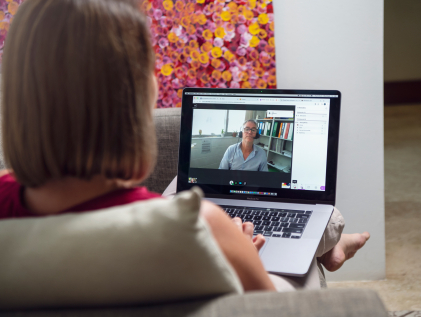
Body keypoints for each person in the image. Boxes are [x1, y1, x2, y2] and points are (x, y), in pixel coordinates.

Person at [0, 0, 369, 293]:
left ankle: (332, 248)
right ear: (135, 102)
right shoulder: (197, 224)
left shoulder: (5, 205)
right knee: (304, 245)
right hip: (247, 268)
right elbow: (267, 308)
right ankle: (331, 248)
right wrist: (241, 255)